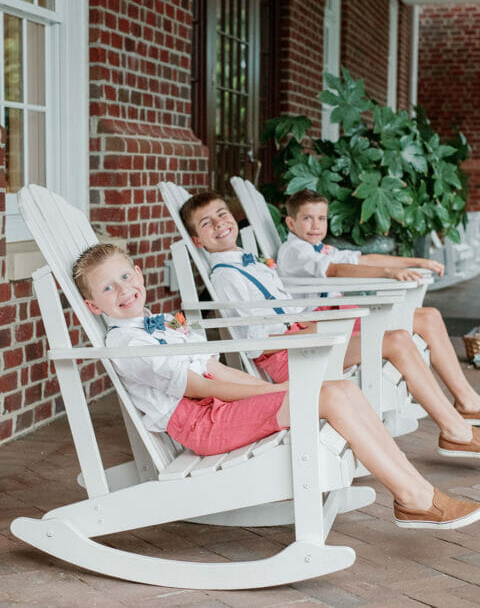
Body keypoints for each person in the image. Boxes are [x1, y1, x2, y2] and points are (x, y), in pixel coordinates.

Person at [72, 241, 480, 530]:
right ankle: (416, 500)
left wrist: (270, 388)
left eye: (126, 276)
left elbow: (216, 371)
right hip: (201, 423)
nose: (124, 289)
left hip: (216, 406)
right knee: (328, 394)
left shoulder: (154, 324)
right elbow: (199, 387)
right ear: (93, 306)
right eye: (108, 288)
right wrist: (278, 392)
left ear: (139, 274)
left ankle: (417, 496)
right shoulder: (127, 342)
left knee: (340, 390)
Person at [180, 190, 480, 459]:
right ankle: (456, 430)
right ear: (197, 241)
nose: (219, 224)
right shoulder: (226, 277)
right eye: (206, 223)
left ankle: (456, 426)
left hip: (305, 338)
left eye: (222, 214)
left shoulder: (251, 263)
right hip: (292, 355)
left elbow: (291, 309)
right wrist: (315, 329)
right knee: (398, 340)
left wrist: (316, 325)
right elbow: (257, 342)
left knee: (399, 336)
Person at [277, 188, 480, 426]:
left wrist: (415, 261)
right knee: (423, 320)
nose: (315, 225)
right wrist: (389, 273)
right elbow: (336, 271)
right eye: (307, 218)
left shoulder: (317, 248)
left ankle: (467, 400)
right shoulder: (295, 251)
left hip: (338, 316)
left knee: (429, 316)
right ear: (291, 223)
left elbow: (363, 259)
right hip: (321, 326)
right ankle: (467, 403)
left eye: (321, 218)